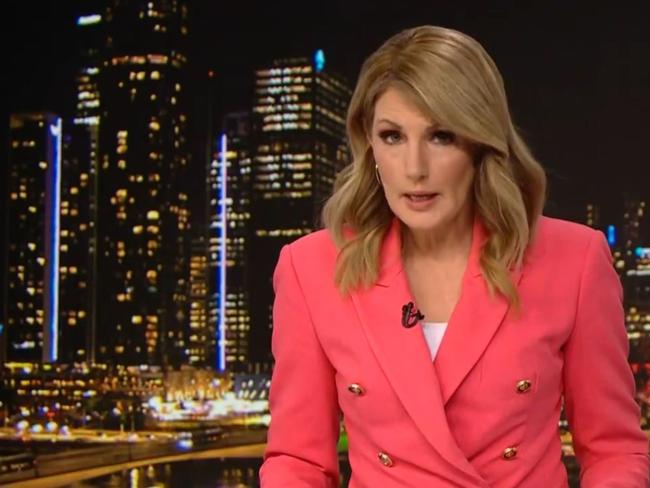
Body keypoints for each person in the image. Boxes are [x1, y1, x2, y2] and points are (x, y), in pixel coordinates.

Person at [258, 25, 650, 487]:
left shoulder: (575, 260)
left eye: (441, 136)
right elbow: (297, 462)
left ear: (480, 142)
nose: (415, 168)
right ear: (370, 146)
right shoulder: (311, 269)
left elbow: (613, 450)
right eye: (392, 136)